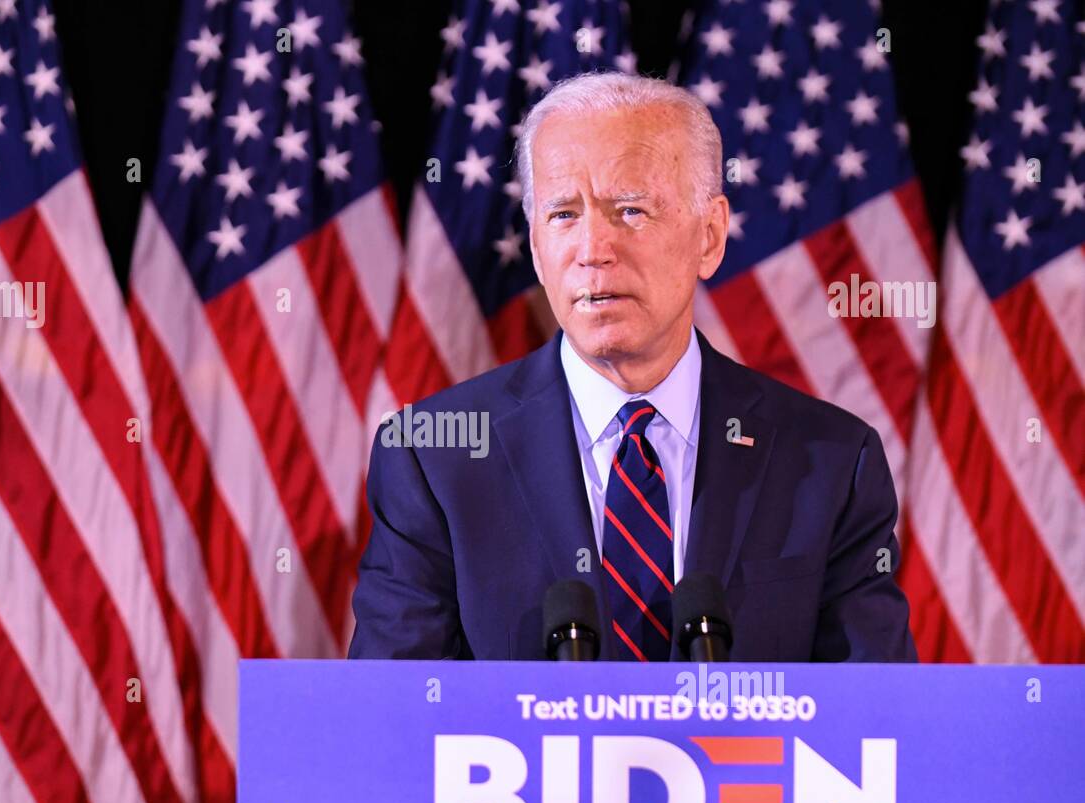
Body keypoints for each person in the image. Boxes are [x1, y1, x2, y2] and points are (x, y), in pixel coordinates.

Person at [349, 72, 916, 663]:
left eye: (630, 211)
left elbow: (872, 725)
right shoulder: (434, 460)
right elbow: (393, 723)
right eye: (564, 215)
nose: (593, 249)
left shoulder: (830, 463)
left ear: (710, 236)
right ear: (537, 251)